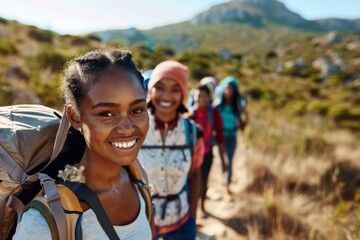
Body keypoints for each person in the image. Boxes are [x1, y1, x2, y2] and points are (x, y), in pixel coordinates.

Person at [13, 49, 153, 239]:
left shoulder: (138, 178)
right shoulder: (44, 223)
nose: (127, 128)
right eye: (107, 114)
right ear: (75, 117)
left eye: (137, 110)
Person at [138, 60, 204, 240]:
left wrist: (192, 215)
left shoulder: (192, 132)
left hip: (181, 223)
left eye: (175, 89)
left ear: (183, 94)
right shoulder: (135, 128)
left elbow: (196, 173)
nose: (166, 96)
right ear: (150, 90)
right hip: (141, 222)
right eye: (159, 87)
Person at [187, 83, 227, 217]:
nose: (200, 98)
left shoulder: (214, 113)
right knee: (189, 182)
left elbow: (220, 135)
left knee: (203, 181)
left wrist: (223, 159)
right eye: (198, 96)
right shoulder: (190, 114)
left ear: (209, 97)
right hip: (190, 155)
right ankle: (191, 210)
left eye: (204, 96)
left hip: (207, 154)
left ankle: (202, 207)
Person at [215, 76, 248, 197]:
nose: (228, 91)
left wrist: (245, 113)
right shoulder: (218, 106)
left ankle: (227, 186)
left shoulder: (237, 107)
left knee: (229, 160)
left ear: (234, 91)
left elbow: (243, 125)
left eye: (230, 89)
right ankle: (223, 180)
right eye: (226, 89)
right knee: (222, 161)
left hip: (232, 136)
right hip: (220, 137)